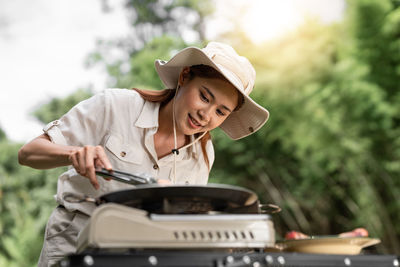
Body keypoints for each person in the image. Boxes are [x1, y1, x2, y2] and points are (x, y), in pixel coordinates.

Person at [18, 42, 270, 267]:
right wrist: (73, 152)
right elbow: (29, 153)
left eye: (221, 112)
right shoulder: (115, 105)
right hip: (75, 248)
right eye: (205, 97)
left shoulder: (203, 154)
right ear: (184, 76)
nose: (207, 115)